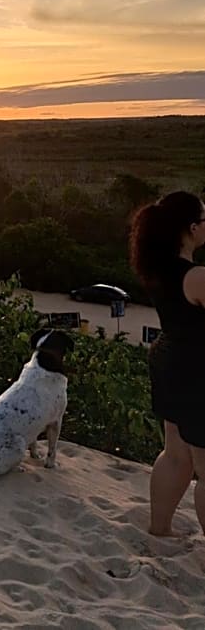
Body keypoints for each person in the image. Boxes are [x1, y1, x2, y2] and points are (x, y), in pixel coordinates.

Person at [129, 190, 205, 537]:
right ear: (191, 228)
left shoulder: (158, 269)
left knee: (175, 454)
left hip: (169, 358)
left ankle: (159, 529)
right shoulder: (196, 277)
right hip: (197, 370)